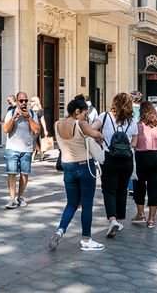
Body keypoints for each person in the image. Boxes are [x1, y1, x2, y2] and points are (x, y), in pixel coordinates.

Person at [49, 97, 105, 252]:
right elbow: (98, 135)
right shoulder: (81, 124)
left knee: (72, 203)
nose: (85, 118)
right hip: (84, 167)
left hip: (67, 168)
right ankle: (86, 239)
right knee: (86, 205)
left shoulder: (57, 124)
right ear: (77, 111)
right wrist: (100, 137)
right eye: (85, 114)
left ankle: (60, 231)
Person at [97, 92, 138, 238]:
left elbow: (92, 129)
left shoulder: (105, 116)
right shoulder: (132, 121)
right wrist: (126, 147)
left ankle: (112, 219)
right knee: (122, 189)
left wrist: (101, 139)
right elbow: (134, 142)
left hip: (109, 157)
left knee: (108, 190)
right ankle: (120, 220)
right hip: (126, 159)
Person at [131, 102, 157, 228]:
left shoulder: (137, 125)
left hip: (141, 157)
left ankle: (140, 213)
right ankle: (151, 219)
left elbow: (133, 144)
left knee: (139, 185)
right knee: (155, 187)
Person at [3, 92, 40, 209]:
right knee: (12, 174)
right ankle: (12, 199)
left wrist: (28, 117)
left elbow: (36, 131)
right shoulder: (11, 112)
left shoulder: (32, 114)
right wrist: (14, 117)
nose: (24, 103)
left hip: (27, 149)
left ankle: (20, 197)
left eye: (26, 101)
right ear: (17, 101)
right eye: (21, 101)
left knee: (24, 175)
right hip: (12, 148)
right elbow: (6, 130)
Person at [30, 97, 49, 162]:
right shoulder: (30, 110)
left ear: (36, 102)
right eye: (30, 101)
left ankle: (32, 158)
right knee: (37, 142)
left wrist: (45, 130)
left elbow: (42, 120)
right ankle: (41, 155)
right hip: (31, 127)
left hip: (37, 128)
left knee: (33, 141)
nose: (30, 102)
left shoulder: (40, 110)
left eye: (32, 101)